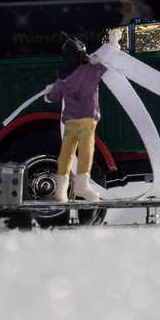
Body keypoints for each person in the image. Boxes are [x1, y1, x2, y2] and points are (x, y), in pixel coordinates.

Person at [46, 38, 108, 202]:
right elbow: (107, 63)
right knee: (86, 152)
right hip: (87, 120)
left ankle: (60, 191)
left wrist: (48, 92)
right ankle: (82, 185)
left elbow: (52, 98)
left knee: (66, 154)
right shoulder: (90, 71)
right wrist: (113, 44)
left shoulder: (62, 78)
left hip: (70, 121)